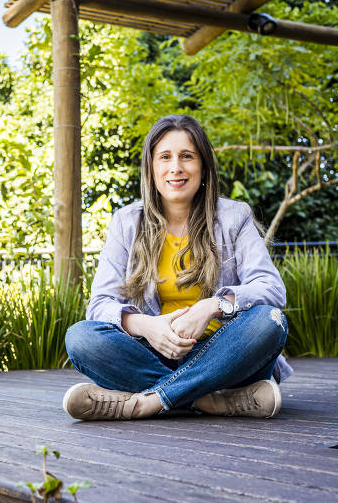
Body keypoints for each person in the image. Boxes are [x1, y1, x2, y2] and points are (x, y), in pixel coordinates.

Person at [63, 114, 292, 421]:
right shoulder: (127, 222)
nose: (176, 168)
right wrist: (148, 327)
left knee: (270, 321)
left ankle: (147, 401)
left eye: (187, 156)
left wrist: (213, 306)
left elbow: (271, 288)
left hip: (227, 355)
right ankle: (212, 401)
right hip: (151, 354)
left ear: (203, 167)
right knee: (80, 337)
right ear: (151, 168)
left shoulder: (235, 216)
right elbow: (100, 305)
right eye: (165, 157)